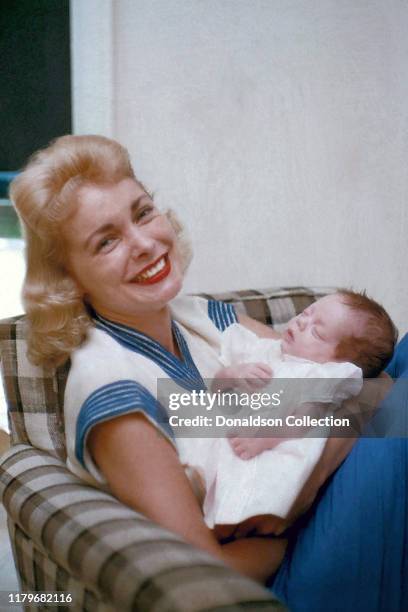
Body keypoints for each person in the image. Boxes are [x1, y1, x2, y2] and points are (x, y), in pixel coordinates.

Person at [10, 135, 407, 608]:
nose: (144, 243)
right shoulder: (111, 387)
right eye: (106, 241)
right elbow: (200, 570)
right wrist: (286, 528)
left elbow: (366, 382)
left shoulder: (195, 315)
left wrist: (312, 477)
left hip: (315, 508)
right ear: (68, 278)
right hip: (285, 570)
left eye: (142, 212)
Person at [176, 291, 396, 530]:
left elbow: (304, 422)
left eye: (317, 332)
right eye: (306, 312)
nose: (302, 321)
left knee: (243, 489)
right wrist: (232, 374)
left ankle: (220, 516)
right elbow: (216, 390)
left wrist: (265, 439)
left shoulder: (317, 378)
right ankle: (191, 489)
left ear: (337, 364)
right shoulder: (262, 350)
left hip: (263, 447)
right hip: (223, 433)